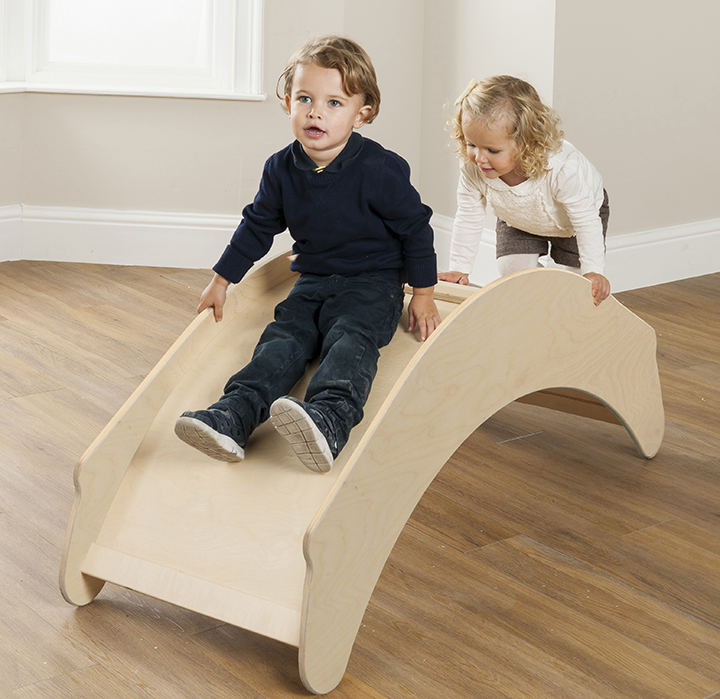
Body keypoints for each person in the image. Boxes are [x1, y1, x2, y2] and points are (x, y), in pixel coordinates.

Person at [174, 35, 440, 473]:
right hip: (313, 279)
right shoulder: (281, 167)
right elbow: (259, 225)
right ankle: (234, 413)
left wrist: (424, 292)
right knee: (284, 338)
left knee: (350, 338)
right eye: (305, 98)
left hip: (373, 282)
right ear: (287, 102)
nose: (316, 112)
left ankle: (330, 417)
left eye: (335, 103)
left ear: (363, 113)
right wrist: (222, 280)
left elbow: (415, 227)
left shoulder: (380, 168)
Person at [438, 75, 611, 305]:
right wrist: (459, 268)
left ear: (525, 142)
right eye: (472, 145)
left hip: (573, 221)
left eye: (492, 150)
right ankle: (539, 303)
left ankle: (562, 302)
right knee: (512, 273)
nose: (479, 157)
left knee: (578, 285)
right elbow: (469, 215)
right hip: (518, 218)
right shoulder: (473, 167)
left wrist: (594, 270)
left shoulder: (562, 169)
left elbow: (586, 220)